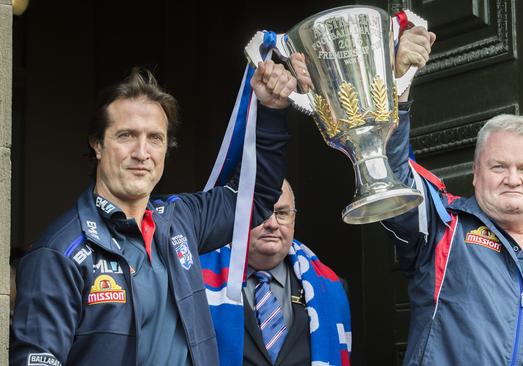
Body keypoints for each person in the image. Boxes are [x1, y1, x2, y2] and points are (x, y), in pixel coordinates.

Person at [10, 61, 296, 366]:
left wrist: (271, 110)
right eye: (126, 136)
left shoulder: (179, 220)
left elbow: (256, 196)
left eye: (155, 138)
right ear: (97, 144)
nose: (142, 153)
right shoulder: (58, 252)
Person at [382, 26, 523, 365]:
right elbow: (392, 178)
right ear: (475, 174)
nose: (513, 180)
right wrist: (399, 86)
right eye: (499, 166)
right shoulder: (442, 228)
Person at [200, 180, 351, 366]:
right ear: (234, 216)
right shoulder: (196, 282)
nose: (272, 223)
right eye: (260, 211)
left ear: (293, 220)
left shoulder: (331, 288)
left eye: (282, 213)